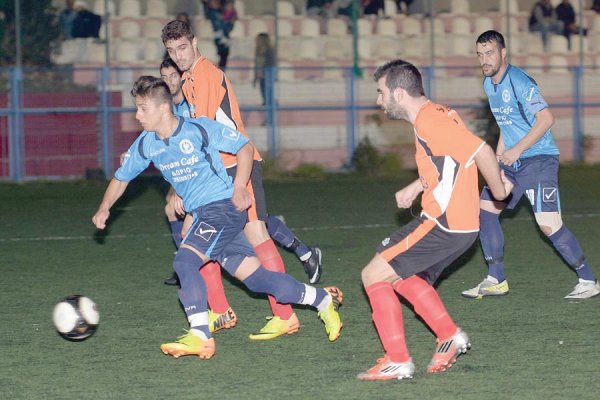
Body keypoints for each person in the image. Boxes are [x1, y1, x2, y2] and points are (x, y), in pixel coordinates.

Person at [92, 76, 343, 359]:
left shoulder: (197, 128)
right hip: (208, 215)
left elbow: (244, 147)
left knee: (185, 261)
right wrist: (105, 207)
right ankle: (321, 300)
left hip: (221, 209)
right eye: (136, 108)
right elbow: (121, 178)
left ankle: (201, 336)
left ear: (163, 108)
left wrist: (240, 186)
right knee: (257, 280)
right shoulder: (146, 144)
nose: (137, 115)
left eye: (142, 108)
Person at [161, 20, 323, 340]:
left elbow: (204, 132)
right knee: (193, 234)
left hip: (237, 166)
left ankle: (285, 315)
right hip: (217, 171)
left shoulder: (207, 74)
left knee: (257, 234)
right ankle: (221, 311)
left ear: (195, 42)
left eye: (182, 47)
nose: (178, 56)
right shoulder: (190, 78)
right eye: (171, 50)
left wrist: (187, 180)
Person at [357, 59, 513, 380]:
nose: (378, 100)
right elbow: (450, 161)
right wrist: (417, 185)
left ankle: (398, 360)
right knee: (402, 277)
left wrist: (499, 191)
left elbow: (480, 151)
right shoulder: (436, 113)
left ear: (399, 94)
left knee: (373, 274)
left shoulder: (429, 121)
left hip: (443, 222)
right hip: (459, 225)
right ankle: (449, 336)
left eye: (381, 92)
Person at [463, 30, 600, 300]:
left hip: (539, 159)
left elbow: (546, 119)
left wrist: (517, 150)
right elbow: (507, 124)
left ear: (503, 53)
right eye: (480, 55)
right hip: (513, 162)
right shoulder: (489, 84)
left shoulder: (520, 81)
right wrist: (499, 158)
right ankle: (496, 279)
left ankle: (588, 280)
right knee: (486, 210)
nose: (484, 60)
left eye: (489, 53)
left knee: (549, 225)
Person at [205, 0, 230, 70]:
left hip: (223, 38)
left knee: (223, 57)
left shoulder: (222, 12)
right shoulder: (211, 13)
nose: (216, 3)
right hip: (216, 38)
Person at [254, 32, 275, 106]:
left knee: (268, 88)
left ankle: (270, 102)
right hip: (260, 73)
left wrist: (264, 70)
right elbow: (256, 63)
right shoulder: (258, 50)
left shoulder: (269, 51)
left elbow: (271, 63)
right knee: (262, 87)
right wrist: (255, 76)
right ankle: (265, 101)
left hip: (267, 72)